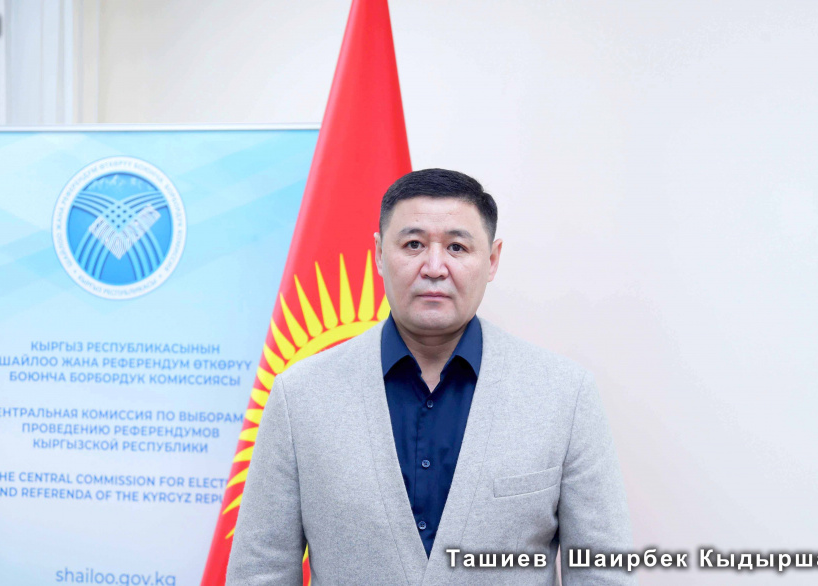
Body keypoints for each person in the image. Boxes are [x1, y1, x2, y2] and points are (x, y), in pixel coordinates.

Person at [226, 169, 635, 585]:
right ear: (379, 254)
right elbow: (260, 572)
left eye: (457, 247)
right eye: (413, 245)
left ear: (492, 260)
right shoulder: (300, 396)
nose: (435, 267)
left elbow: (604, 572)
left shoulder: (565, 396)